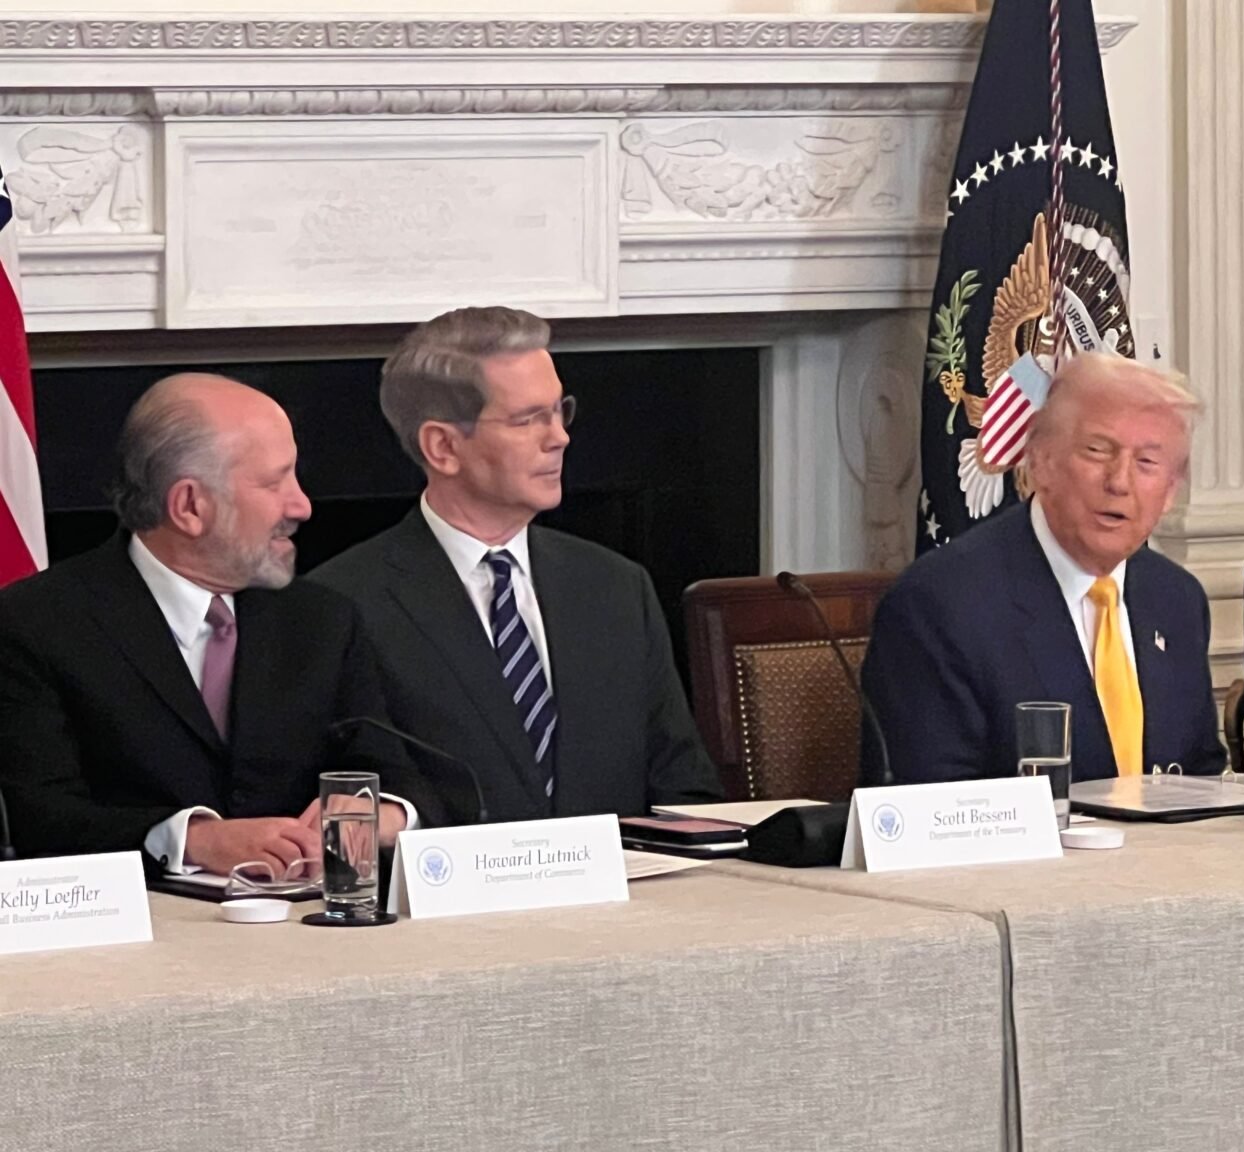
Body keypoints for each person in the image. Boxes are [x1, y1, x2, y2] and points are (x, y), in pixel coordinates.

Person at [0, 374, 440, 873]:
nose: (302, 506)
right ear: (190, 506)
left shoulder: (321, 620)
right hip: (141, 916)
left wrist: (382, 814)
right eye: (274, 483)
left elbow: (399, 777)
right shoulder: (38, 622)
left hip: (307, 914)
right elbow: (40, 819)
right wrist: (194, 840)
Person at [311, 306, 721, 824]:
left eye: (559, 410)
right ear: (443, 446)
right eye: (528, 420)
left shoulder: (616, 586)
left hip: (627, 876)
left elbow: (686, 790)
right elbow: (349, 806)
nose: (559, 437)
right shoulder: (341, 605)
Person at [860, 352, 1226, 785]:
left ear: (1170, 492)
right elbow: (931, 802)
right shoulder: (941, 605)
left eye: (1146, 462)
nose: (1119, 482)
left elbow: (1199, 780)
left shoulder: (1176, 598)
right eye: (1097, 451)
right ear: (1040, 461)